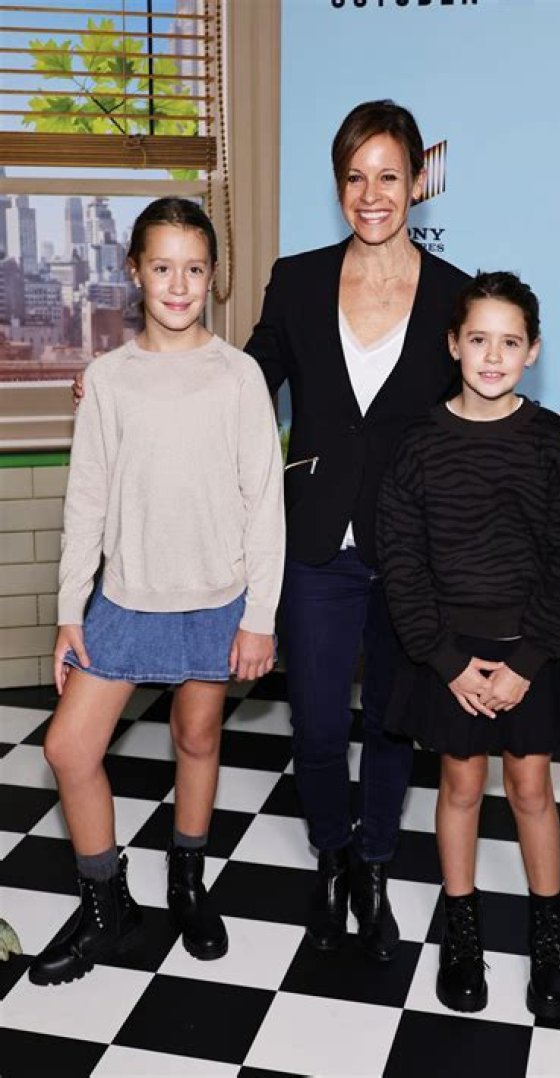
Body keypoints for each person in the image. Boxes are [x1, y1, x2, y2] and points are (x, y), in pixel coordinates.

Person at [74, 101, 560, 963]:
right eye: (355, 177)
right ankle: (329, 857)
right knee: (316, 724)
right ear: (339, 184)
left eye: (389, 175)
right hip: (313, 541)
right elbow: (241, 378)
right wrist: (124, 380)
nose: (371, 193)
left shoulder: (452, 292)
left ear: (417, 182)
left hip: (416, 550)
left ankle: (375, 865)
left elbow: (485, 395)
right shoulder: (298, 279)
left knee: (390, 724)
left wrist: (559, 434)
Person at [29, 198, 285, 987]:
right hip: (126, 597)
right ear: (134, 271)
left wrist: (260, 616)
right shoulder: (108, 380)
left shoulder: (239, 376)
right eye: (163, 266)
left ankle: (187, 878)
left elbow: (264, 502)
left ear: (213, 277)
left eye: (195, 268)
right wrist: (70, 609)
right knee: (68, 748)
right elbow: (86, 501)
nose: (179, 284)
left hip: (217, 597)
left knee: (197, 738)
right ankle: (108, 903)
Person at [376, 271, 560, 1018]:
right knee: (461, 786)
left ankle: (549, 933)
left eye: (510, 342)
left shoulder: (555, 444)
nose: (494, 356)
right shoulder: (419, 444)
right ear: (453, 345)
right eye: (479, 339)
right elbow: (402, 561)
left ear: (533, 351)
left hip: (530, 647)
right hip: (452, 653)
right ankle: (462, 928)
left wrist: (529, 661)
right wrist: (446, 662)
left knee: (532, 788)